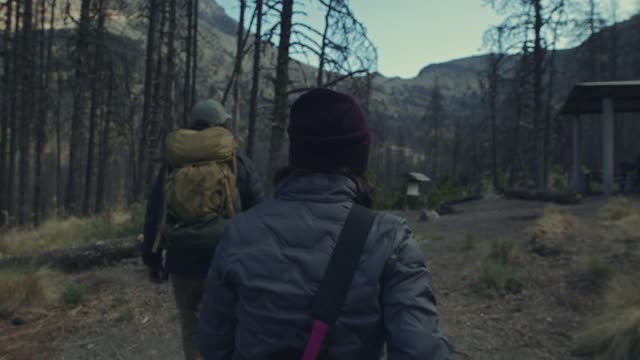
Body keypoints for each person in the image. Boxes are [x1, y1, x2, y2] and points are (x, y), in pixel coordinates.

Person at [198, 89, 453, 359]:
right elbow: (420, 350)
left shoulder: (240, 231)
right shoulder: (389, 238)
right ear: (359, 156)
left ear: (297, 152)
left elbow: (214, 345)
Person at [142, 99, 264, 360]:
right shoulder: (238, 163)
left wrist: (152, 261)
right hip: (228, 261)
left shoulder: (172, 166)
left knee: (191, 327)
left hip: (182, 262)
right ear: (221, 125)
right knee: (231, 324)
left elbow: (154, 215)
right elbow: (258, 214)